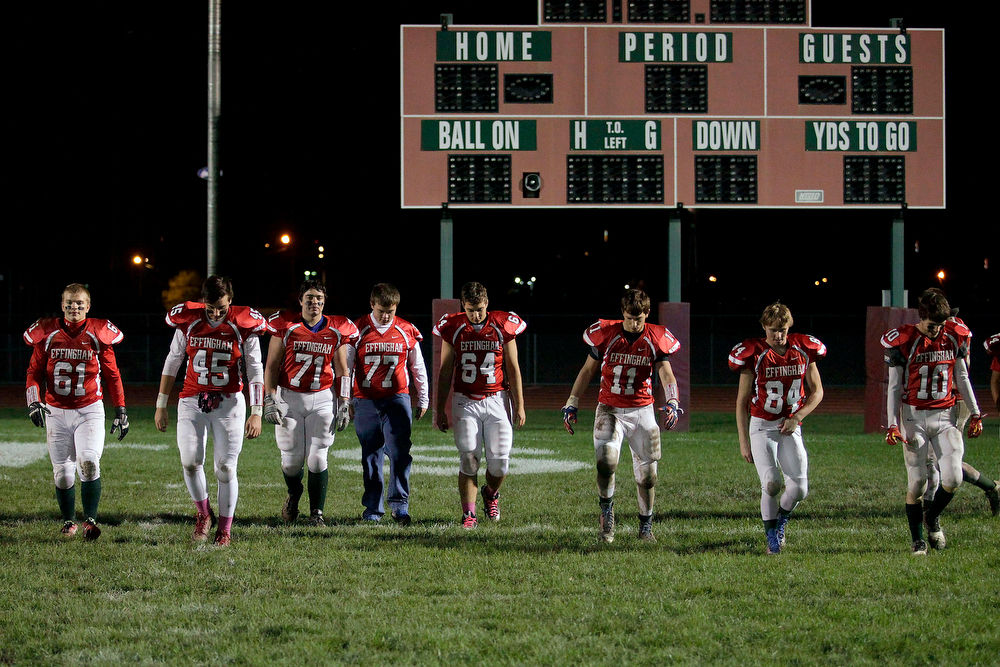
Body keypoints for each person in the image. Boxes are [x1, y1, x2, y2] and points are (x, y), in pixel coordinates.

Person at [561, 289, 682, 544]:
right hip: (609, 408)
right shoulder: (606, 333)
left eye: (639, 318)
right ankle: (607, 513)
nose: (634, 323)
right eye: (629, 317)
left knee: (648, 477)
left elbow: (666, 373)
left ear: (647, 314)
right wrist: (572, 401)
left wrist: (672, 400)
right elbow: (587, 371)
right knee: (606, 463)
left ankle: (646, 525)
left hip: (642, 410)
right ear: (622, 314)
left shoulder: (655, 337)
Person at [154, 276, 267, 546]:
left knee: (226, 468)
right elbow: (173, 361)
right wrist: (161, 404)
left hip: (229, 401)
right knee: (190, 461)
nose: (216, 313)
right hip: (192, 399)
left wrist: (257, 411)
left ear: (231, 302)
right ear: (202, 301)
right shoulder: (190, 320)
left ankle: (225, 529)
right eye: (210, 307)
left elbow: (254, 368)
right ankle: (204, 515)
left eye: (222, 308)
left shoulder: (243, 324)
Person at [881, 288, 984, 555]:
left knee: (953, 477)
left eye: (941, 324)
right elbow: (894, 387)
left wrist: (975, 412)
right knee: (918, 482)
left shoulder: (952, 335)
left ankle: (932, 517)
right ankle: (917, 541)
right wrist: (892, 423)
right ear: (921, 317)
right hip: (913, 417)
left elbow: (962, 377)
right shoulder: (905, 339)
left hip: (945, 415)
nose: (937, 330)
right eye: (932, 325)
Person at [24, 283, 129, 541]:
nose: (74, 307)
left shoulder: (98, 332)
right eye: (70, 303)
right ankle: (69, 520)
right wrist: (32, 400)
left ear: (88, 306)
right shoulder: (46, 332)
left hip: (89, 409)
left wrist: (121, 409)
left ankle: (90, 520)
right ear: (62, 305)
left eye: (80, 303)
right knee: (62, 473)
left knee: (90, 462)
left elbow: (112, 374)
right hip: (56, 411)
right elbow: (34, 373)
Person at [729, 303, 825, 554]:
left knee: (800, 489)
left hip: (790, 425)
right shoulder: (755, 353)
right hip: (762, 425)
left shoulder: (803, 349)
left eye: (782, 330)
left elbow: (818, 392)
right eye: (773, 330)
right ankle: (771, 534)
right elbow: (741, 403)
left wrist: (798, 416)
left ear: (789, 327)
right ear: (763, 327)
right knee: (771, 482)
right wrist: (743, 441)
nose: (778, 335)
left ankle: (781, 519)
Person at [263, 280, 358, 526]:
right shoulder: (286, 326)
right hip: (290, 397)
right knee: (292, 461)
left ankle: (317, 513)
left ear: (324, 302)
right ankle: (294, 494)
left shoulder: (336, 329)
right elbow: (272, 365)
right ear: (300, 300)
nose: (314, 302)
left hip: (323, 397)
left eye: (319, 298)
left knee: (318, 458)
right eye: (310, 297)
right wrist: (269, 397)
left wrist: (345, 401)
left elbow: (342, 370)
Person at [433, 281, 526, 529]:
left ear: (487, 304)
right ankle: (469, 514)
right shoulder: (454, 327)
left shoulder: (501, 325)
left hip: (496, 399)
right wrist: (439, 407)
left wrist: (520, 405)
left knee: (500, 462)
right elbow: (445, 371)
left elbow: (513, 367)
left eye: (480, 309)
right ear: (464, 306)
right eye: (471, 309)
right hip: (465, 400)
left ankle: (491, 493)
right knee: (469, 458)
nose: (476, 314)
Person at [347, 283, 429, 525]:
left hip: (396, 398)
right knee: (371, 455)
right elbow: (347, 366)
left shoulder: (405, 329)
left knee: (400, 453)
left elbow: (418, 366)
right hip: (366, 398)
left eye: (390, 311)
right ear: (372, 304)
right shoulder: (357, 329)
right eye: (381, 310)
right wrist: (345, 399)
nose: (385, 316)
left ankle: (400, 505)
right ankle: (373, 508)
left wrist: (423, 396)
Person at [923, 312, 999, 516]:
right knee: (936, 459)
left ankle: (930, 507)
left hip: (953, 400)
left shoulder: (952, 330)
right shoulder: (956, 327)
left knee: (940, 460)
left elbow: (958, 372)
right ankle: (991, 487)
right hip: (942, 399)